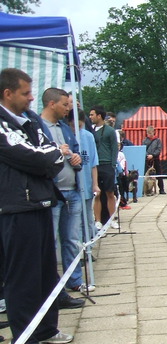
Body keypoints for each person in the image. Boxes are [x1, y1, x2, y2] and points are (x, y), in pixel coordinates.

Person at [0, 68, 76, 344]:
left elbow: (50, 153)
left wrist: (50, 154)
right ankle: (23, 340)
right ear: (8, 94)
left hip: (42, 202)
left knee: (46, 272)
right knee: (22, 277)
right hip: (17, 208)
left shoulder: (30, 122)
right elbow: (32, 156)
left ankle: (46, 328)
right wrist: (50, 155)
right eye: (26, 93)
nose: (32, 98)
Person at [40, 87, 88, 293]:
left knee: (72, 240)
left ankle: (74, 280)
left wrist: (77, 159)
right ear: (52, 104)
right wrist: (56, 152)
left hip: (73, 192)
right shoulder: (36, 128)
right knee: (49, 242)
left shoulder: (66, 128)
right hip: (50, 193)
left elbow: (76, 151)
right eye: (65, 105)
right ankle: (51, 287)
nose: (69, 109)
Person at [66, 109, 100, 242]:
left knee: (88, 218)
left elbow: (93, 163)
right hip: (72, 185)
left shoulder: (88, 136)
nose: (75, 128)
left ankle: (89, 245)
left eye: (79, 126)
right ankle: (77, 248)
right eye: (73, 125)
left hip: (86, 183)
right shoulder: (66, 135)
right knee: (75, 221)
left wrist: (95, 184)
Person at [89, 105, 119, 229]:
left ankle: (112, 219)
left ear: (99, 116)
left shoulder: (110, 131)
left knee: (110, 193)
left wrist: (112, 164)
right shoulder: (91, 131)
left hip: (107, 164)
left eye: (92, 114)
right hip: (95, 165)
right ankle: (98, 220)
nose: (90, 117)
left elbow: (114, 148)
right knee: (97, 194)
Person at [143, 125, 165, 194]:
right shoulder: (144, 141)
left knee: (159, 174)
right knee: (146, 175)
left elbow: (159, 149)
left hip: (156, 159)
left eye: (150, 133)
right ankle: (146, 189)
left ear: (153, 132)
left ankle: (161, 189)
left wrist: (153, 155)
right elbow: (143, 149)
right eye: (148, 133)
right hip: (147, 160)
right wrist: (147, 155)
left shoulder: (158, 140)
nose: (149, 134)